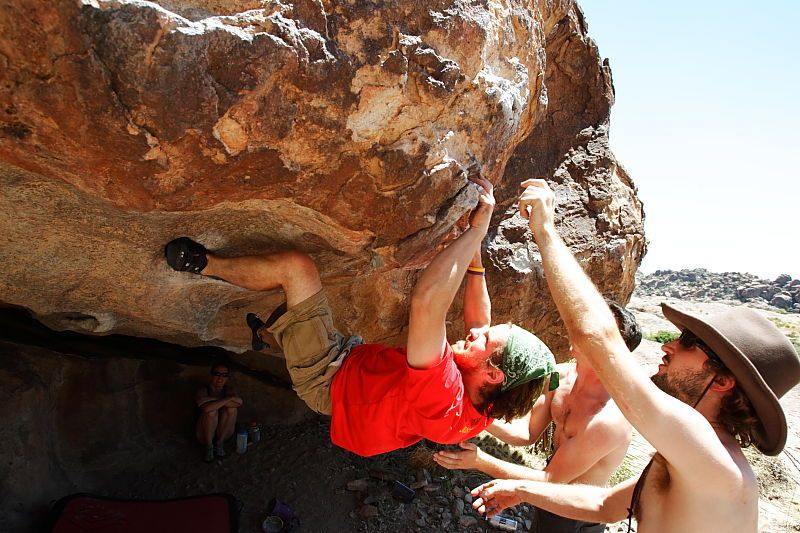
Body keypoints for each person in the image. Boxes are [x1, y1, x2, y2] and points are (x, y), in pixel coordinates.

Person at [471, 179, 800, 533]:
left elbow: (597, 336)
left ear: (722, 381)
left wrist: (546, 231)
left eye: (688, 342)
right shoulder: (688, 459)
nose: (668, 346)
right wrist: (521, 489)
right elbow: (605, 504)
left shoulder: (709, 456)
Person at [164, 177, 559, 457]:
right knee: (297, 324)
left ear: (493, 373)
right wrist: (474, 262)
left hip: (328, 377)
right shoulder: (487, 402)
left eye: (487, 342)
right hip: (353, 366)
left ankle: (203, 263)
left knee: (297, 269)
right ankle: (266, 335)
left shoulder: (443, 400)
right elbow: (478, 321)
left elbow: (426, 303)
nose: (476, 334)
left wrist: (475, 233)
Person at [434, 301, 641, 533]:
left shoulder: (607, 419)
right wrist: (474, 413)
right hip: (548, 493)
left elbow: (552, 480)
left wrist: (480, 461)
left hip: (575, 512)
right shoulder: (561, 376)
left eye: (597, 327)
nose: (582, 324)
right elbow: (528, 433)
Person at [195, 363, 243, 462]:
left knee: (231, 410)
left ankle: (219, 444)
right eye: (217, 374)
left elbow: (238, 404)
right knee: (211, 413)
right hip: (204, 434)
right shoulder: (203, 390)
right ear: (211, 375)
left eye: (224, 375)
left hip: (224, 433)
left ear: (227, 378)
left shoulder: (228, 390)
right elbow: (206, 409)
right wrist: (228, 399)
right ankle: (209, 447)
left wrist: (210, 400)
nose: (220, 378)